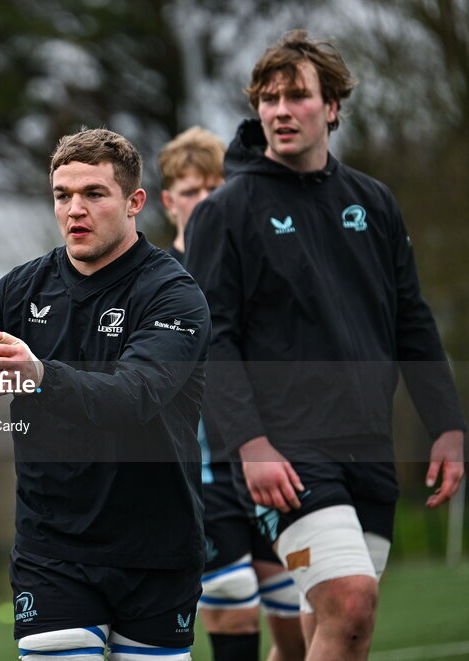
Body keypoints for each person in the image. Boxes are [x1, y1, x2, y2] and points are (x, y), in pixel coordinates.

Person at [186, 31, 465, 661]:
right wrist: (249, 445)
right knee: (350, 601)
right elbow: (213, 341)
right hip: (283, 452)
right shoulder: (225, 213)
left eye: (298, 96)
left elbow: (412, 320)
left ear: (332, 106)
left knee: (336, 628)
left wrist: (448, 424)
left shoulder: (374, 202)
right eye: (269, 98)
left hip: (367, 447)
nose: (281, 110)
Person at [0, 128, 210, 660]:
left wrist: (39, 375)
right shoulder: (19, 290)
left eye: (94, 194)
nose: (74, 209)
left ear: (134, 203)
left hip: (156, 545)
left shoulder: (173, 294)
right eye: (63, 195)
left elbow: (133, 399)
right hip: (52, 549)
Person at [160, 127, 305, 661]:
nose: (202, 202)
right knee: (233, 601)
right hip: (200, 474)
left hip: (266, 458)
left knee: (294, 629)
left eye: (212, 189)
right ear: (169, 199)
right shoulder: (153, 278)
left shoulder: (249, 265)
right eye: (190, 191)